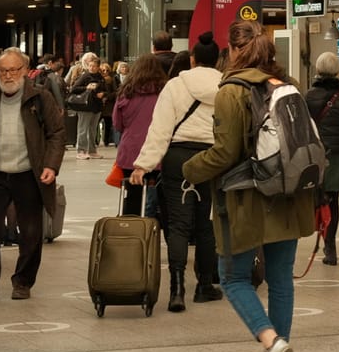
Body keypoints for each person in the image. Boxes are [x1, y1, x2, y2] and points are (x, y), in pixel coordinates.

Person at [182, 21, 318, 352]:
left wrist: (190, 169)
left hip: (248, 199)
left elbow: (226, 153)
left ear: (234, 50)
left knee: (234, 277)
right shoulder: (287, 85)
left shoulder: (232, 91)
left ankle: (272, 342)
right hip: (290, 194)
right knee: (280, 278)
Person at [132, 32, 223, 310]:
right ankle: (205, 286)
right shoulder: (226, 86)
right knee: (207, 225)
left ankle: (177, 290)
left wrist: (144, 164)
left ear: (192, 59)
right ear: (217, 60)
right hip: (212, 158)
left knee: (179, 225)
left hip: (177, 159)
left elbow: (160, 128)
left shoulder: (174, 85)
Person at [0, 48, 66, 301]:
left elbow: (56, 134)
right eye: (3, 70)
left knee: (31, 232)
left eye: (13, 70)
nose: (8, 75)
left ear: (24, 71)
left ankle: (23, 282)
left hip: (28, 173)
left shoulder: (40, 98)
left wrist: (51, 166)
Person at [303, 52, 339, 268]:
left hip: (314, 154)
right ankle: (330, 246)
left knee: (315, 198)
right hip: (338, 153)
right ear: (337, 71)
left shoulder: (308, 96)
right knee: (332, 201)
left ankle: (320, 237)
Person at [111, 51, 168, 215]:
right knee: (161, 198)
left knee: (132, 196)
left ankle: (133, 232)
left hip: (131, 152)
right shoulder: (165, 92)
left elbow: (117, 124)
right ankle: (154, 228)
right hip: (158, 151)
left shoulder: (126, 92)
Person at [64, 53, 107, 158]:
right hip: (85, 106)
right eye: (90, 66)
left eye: (94, 66)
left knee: (93, 129)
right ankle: (81, 151)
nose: (91, 68)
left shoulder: (101, 77)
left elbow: (106, 89)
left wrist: (103, 94)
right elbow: (74, 89)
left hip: (96, 106)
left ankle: (92, 150)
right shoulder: (85, 76)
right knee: (83, 128)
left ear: (98, 67)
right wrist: (87, 88)